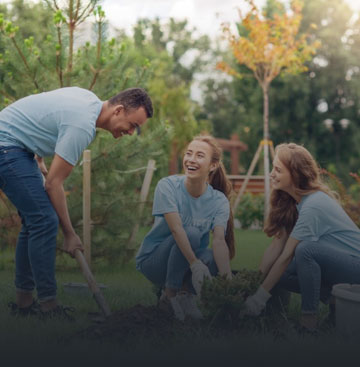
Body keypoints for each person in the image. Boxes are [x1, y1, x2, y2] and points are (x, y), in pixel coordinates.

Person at [0, 86, 153, 318]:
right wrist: (70, 234)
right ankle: (48, 306)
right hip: (7, 146)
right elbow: (53, 184)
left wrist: (39, 156)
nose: (132, 132)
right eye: (133, 125)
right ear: (119, 110)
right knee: (43, 220)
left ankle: (24, 304)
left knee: (35, 221)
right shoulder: (82, 124)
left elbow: (45, 113)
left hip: (18, 145)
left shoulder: (88, 101)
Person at [244, 143, 360, 331]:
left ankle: (308, 324)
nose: (271, 174)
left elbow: (287, 255)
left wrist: (259, 299)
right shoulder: (294, 202)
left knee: (305, 250)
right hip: (340, 267)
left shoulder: (313, 204)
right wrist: (251, 283)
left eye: (278, 170)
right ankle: (336, 304)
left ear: (295, 175)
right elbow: (276, 246)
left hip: (356, 267)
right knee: (283, 272)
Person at [136, 135, 234, 320]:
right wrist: (195, 264)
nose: (191, 159)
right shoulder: (168, 186)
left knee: (212, 257)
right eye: (189, 154)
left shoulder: (218, 200)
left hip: (186, 260)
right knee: (191, 233)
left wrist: (227, 281)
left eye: (199, 155)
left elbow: (219, 241)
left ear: (212, 166)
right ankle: (169, 295)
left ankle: (185, 297)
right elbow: (177, 230)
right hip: (155, 262)